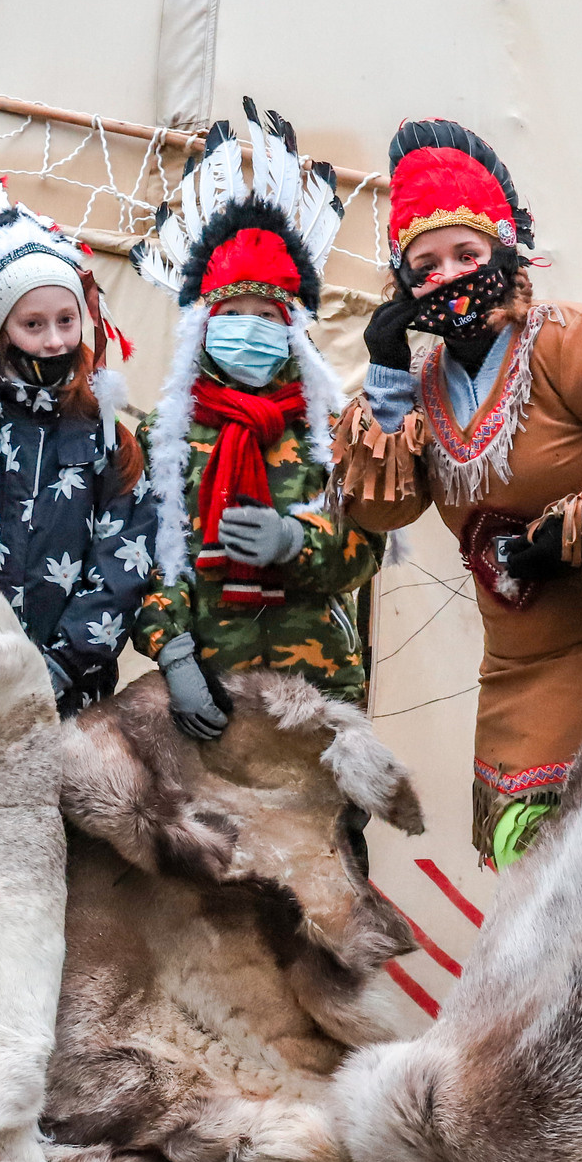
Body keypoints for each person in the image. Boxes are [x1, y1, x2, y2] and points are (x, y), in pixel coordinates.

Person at [334, 119, 582, 868]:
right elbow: (375, 509)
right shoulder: (423, 389)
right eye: (426, 265)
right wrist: (388, 374)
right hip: (520, 676)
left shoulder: (578, 340)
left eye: (467, 253)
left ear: (506, 249)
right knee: (535, 882)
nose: (452, 277)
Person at [131, 101, 380, 733]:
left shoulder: (334, 430)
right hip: (213, 693)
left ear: (293, 327)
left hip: (320, 694)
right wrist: (175, 655)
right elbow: (146, 557)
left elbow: (368, 547)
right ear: (204, 326)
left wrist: (295, 541)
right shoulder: (163, 437)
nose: (251, 329)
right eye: (234, 314)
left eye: (267, 317)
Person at [0, 191, 155, 713]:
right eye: (33, 324)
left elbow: (123, 563)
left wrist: (61, 668)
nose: (54, 340)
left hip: (70, 695)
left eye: (66, 320)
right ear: (1, 330)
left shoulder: (107, 437)